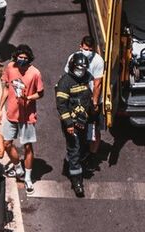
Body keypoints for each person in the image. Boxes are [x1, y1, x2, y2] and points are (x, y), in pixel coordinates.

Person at [0, 44, 43, 193]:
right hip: (11, 114)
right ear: (16, 57)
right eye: (20, 57)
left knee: (28, 147)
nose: (22, 60)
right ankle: (18, 168)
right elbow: (6, 89)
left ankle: (28, 178)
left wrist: (29, 97)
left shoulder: (35, 73)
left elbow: (40, 93)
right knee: (6, 144)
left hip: (27, 117)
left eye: (25, 58)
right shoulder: (10, 67)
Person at [55, 52, 95, 198]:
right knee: (74, 148)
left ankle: (74, 161)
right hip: (71, 122)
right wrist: (69, 124)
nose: (81, 72)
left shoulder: (87, 77)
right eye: (79, 68)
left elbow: (89, 96)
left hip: (84, 120)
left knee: (83, 145)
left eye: (83, 69)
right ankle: (77, 181)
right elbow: (61, 106)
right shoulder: (65, 82)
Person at [63, 36, 105, 162]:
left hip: (91, 100)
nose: (87, 52)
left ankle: (92, 155)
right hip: (76, 100)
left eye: (90, 50)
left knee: (93, 128)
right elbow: (67, 77)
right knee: (78, 126)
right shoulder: (73, 57)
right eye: (85, 49)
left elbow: (97, 84)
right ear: (80, 46)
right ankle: (78, 151)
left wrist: (95, 102)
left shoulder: (98, 60)